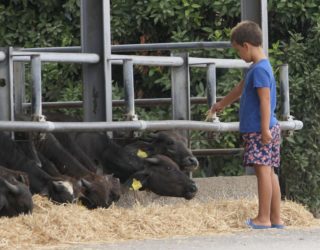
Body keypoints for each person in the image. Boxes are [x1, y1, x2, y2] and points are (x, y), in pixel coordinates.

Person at [210, 21, 284, 229]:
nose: (239, 57)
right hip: (268, 127)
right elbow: (240, 88)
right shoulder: (259, 67)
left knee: (263, 172)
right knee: (270, 172)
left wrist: (263, 130)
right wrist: (221, 104)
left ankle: (263, 218)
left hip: (260, 129)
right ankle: (276, 218)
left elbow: (265, 101)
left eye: (238, 51)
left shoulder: (259, 70)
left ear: (246, 45)